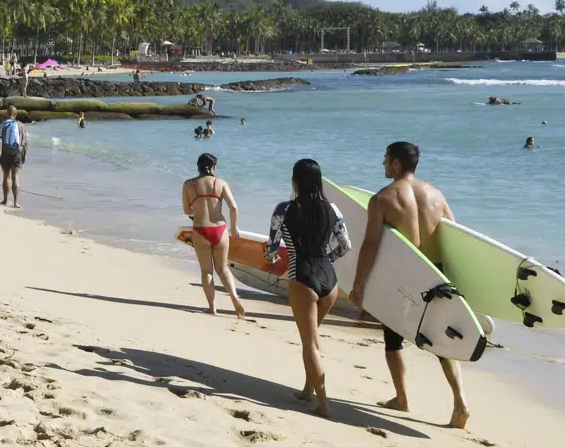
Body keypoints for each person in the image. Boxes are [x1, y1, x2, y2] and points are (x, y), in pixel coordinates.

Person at [350, 141, 470, 429]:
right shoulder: (437, 195)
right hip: (436, 275)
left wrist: (359, 285)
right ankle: (460, 402)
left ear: (396, 164)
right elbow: (456, 239)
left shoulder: (382, 199)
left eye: (385, 158)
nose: (382, 163)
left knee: (392, 338)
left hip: (405, 275)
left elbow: (370, 245)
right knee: (440, 340)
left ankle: (402, 398)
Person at [266, 159, 352, 417]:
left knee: (310, 344)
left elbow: (272, 247)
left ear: (295, 181)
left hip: (302, 278)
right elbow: (345, 245)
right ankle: (307, 390)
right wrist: (326, 261)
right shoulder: (332, 208)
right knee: (312, 340)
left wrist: (273, 259)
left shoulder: (284, 209)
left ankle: (323, 405)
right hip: (329, 281)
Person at [181, 152, 246, 318]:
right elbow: (233, 208)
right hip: (220, 230)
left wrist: (199, 211)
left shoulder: (188, 184)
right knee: (223, 268)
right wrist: (234, 227)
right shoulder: (221, 183)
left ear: (198, 167)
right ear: (214, 168)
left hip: (201, 230)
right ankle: (234, 297)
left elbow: (187, 210)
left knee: (206, 270)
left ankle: (212, 307)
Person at [0, 105, 28, 208]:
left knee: (6, 176)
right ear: (15, 114)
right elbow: (25, 143)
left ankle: (5, 200)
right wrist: (24, 156)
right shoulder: (20, 125)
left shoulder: (1, 124)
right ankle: (16, 202)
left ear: (6, 113)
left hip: (5, 152)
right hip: (16, 154)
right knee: (15, 177)